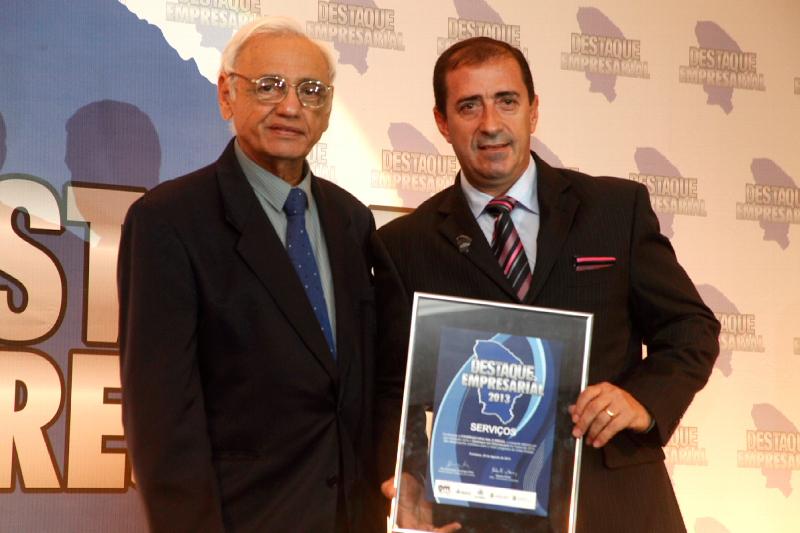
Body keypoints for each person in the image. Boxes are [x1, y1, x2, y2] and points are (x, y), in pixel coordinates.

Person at [376, 37, 720, 533]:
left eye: (507, 101)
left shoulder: (615, 210)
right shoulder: (404, 245)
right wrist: (409, 474)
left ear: (533, 111)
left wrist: (642, 400)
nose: (490, 124)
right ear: (442, 122)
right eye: (469, 106)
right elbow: (394, 389)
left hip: (616, 503)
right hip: (476, 512)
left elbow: (690, 328)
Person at [118, 17, 391, 533]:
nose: (290, 107)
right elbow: (161, 419)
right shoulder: (169, 221)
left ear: (328, 108)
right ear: (227, 95)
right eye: (269, 86)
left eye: (310, 91)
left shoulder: (352, 220)